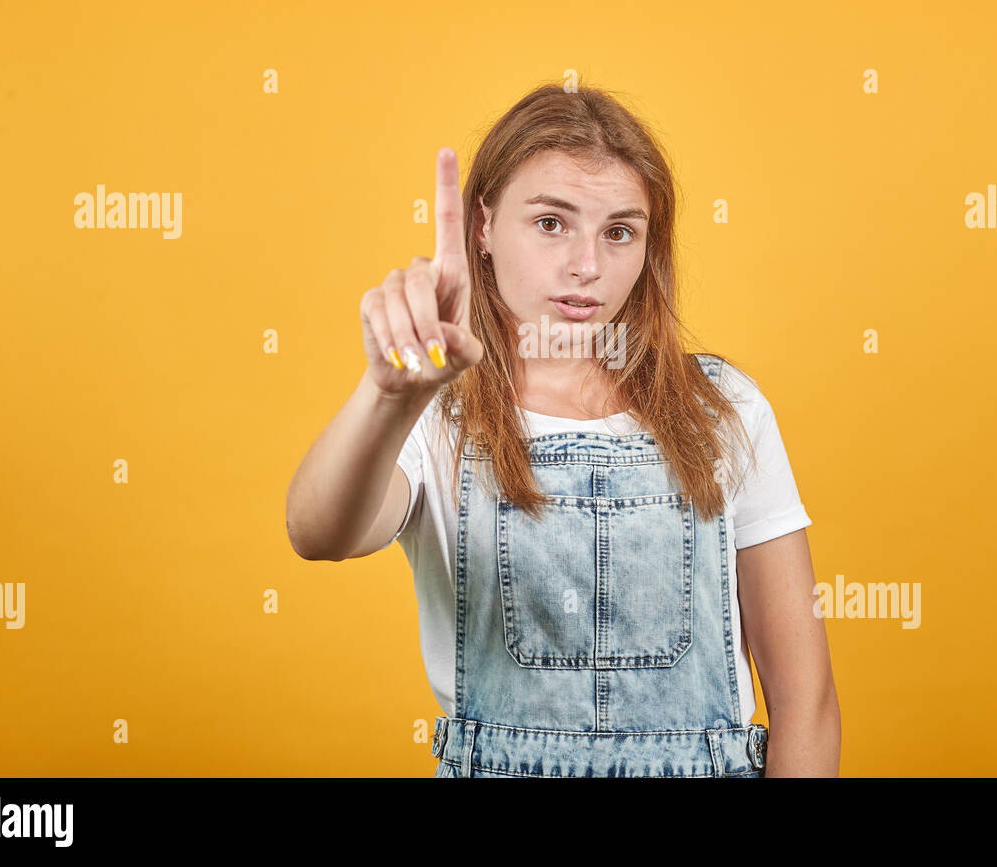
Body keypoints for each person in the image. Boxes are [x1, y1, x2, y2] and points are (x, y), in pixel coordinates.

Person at [286, 84, 841, 777]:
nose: (587, 266)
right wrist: (386, 393)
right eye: (551, 222)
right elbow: (320, 534)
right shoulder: (435, 413)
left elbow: (804, 698)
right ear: (482, 227)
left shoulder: (724, 410)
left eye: (619, 231)